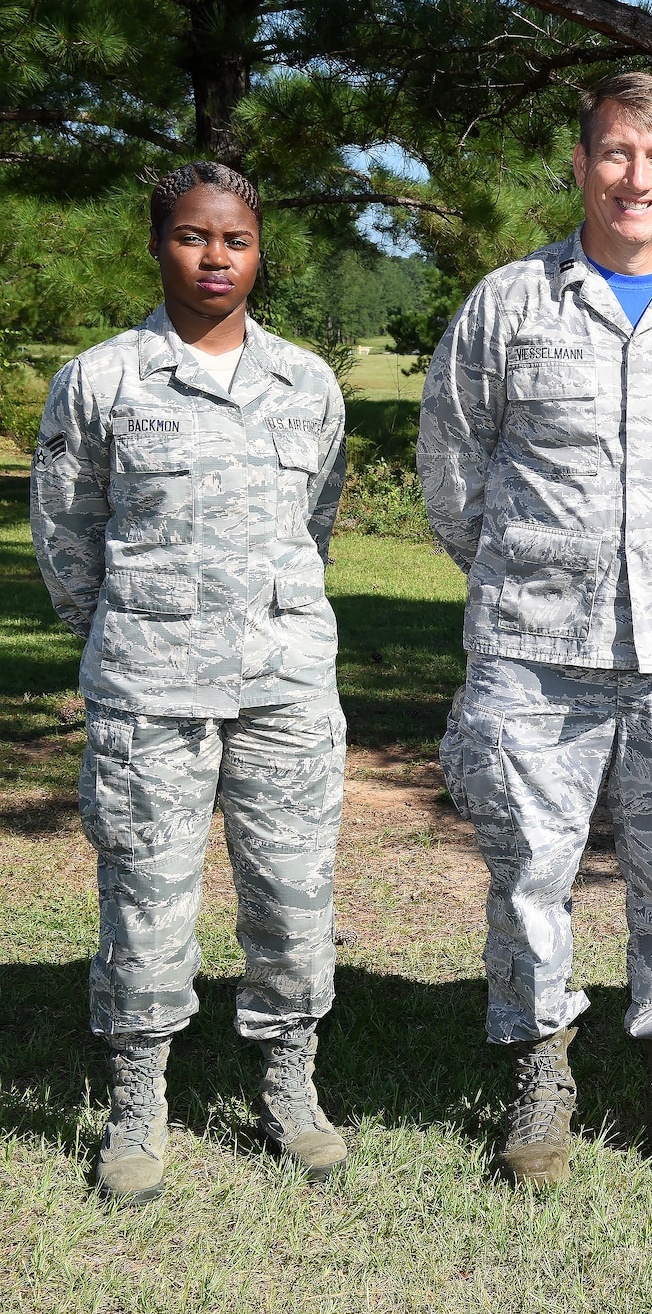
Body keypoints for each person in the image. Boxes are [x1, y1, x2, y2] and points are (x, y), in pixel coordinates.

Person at [418, 71, 652, 1189]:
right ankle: (540, 1070)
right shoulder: (508, 304)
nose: (637, 178)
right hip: (534, 649)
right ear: (580, 165)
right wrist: (533, 575)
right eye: (617, 154)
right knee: (529, 872)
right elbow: (450, 471)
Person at [31, 162, 352, 1205]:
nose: (215, 257)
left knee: (293, 902)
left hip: (283, 689)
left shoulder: (307, 383)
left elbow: (317, 527)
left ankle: (290, 1088)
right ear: (157, 243)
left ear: (261, 252)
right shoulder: (103, 380)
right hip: (148, 692)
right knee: (145, 903)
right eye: (191, 236)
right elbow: (68, 541)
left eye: (236, 240)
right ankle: (137, 1105)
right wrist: (132, 637)